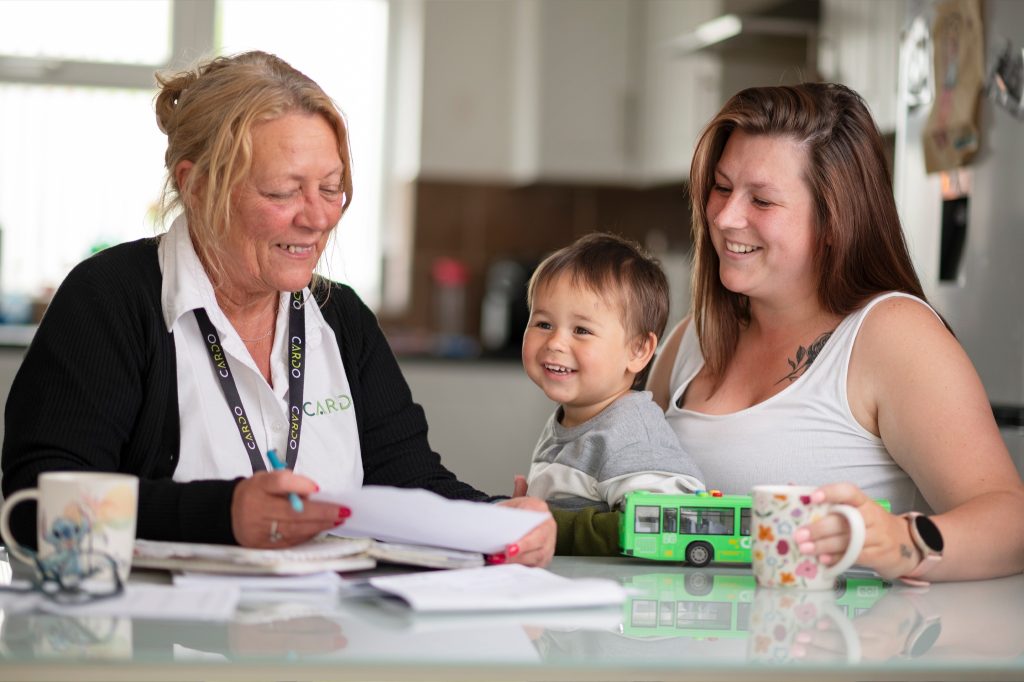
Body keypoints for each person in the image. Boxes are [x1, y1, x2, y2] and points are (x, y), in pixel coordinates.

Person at [1, 50, 554, 567]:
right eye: (283, 192)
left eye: (331, 188)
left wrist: (495, 519)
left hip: (325, 649)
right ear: (195, 185)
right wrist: (222, 515)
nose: (317, 219)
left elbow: (409, 485)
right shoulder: (111, 300)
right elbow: (34, 505)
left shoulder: (343, 319)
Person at [643, 82, 1024, 581]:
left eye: (761, 200)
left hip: (838, 651)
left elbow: (1010, 522)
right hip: (679, 651)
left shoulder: (891, 336)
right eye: (721, 186)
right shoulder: (692, 339)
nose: (724, 216)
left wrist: (902, 542)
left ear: (832, 221)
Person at [517, 233, 704, 512]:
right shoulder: (570, 419)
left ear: (638, 350)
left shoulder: (631, 435)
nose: (555, 342)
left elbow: (660, 523)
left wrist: (554, 525)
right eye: (543, 324)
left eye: (581, 330)